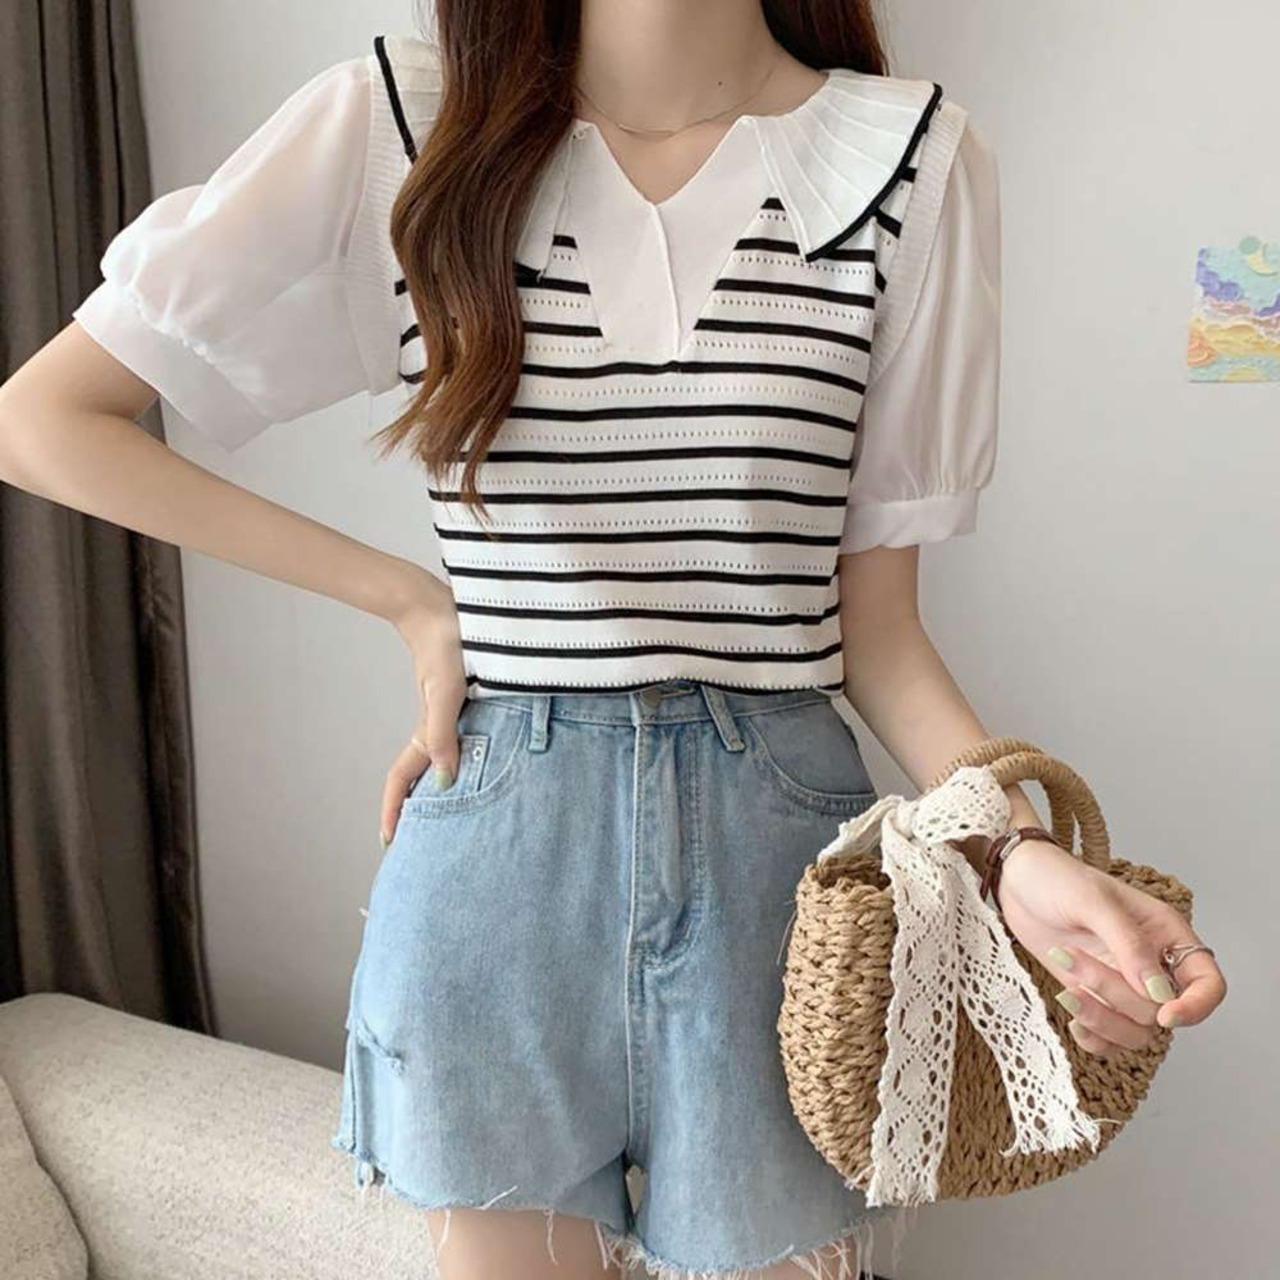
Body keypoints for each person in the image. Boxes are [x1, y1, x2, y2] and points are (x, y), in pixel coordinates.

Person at [0, 3, 1227, 1278]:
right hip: (497, 865)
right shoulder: (406, 124)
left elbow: (876, 630)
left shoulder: (909, 160)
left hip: (784, 879)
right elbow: (45, 419)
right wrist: (409, 600)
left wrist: (1016, 845)